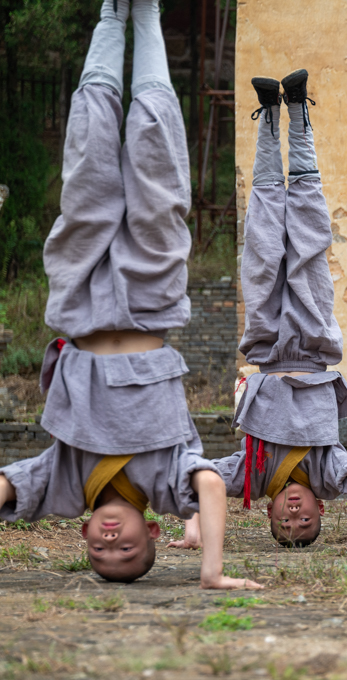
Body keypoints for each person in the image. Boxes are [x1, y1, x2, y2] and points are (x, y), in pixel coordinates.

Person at [0, 0, 258, 589]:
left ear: (84, 536)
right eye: (127, 554)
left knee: (87, 165)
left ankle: (110, 17)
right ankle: (146, 13)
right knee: (157, 165)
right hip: (150, 303)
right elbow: (212, 485)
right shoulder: (167, 484)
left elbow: (10, 485)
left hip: (80, 305)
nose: (109, 546)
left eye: (98, 556)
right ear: (155, 534)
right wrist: (211, 573)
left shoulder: (65, 486)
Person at [173, 70, 347, 552]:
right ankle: (298, 114)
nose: (294, 517)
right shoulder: (327, 475)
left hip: (267, 345)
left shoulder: (252, 473)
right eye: (305, 524)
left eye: (284, 526)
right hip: (310, 344)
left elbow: (199, 473)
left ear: (266, 510)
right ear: (320, 510)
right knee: (308, 236)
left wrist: (192, 529)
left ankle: (268, 113)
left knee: (264, 242)